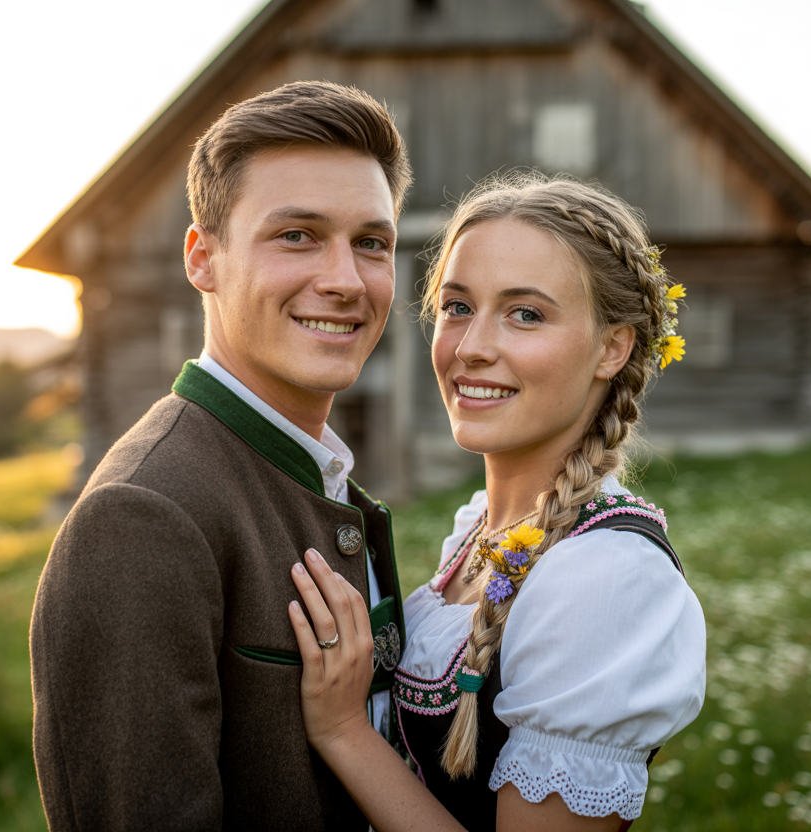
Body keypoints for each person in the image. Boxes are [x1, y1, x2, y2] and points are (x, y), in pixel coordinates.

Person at [29, 81, 413, 830]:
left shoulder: (313, 472)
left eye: (371, 242)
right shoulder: (141, 516)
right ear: (203, 259)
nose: (344, 280)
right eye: (297, 235)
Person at [286, 173, 706, 831]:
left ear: (612, 347)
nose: (473, 347)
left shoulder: (605, 579)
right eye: (457, 307)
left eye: (526, 313)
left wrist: (344, 732)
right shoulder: (482, 531)